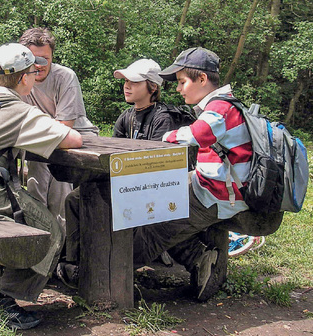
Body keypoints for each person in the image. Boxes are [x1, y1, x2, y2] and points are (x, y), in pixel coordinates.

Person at [0, 43, 82, 329]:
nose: (35, 75)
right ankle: (2, 298)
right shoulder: (18, 110)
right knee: (51, 231)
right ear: (24, 78)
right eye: (32, 71)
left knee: (34, 211)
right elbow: (73, 139)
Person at [59, 59, 194, 288]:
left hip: (157, 189)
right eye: (125, 81)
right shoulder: (127, 115)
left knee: (94, 199)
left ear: (152, 86)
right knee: (76, 198)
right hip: (130, 182)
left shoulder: (163, 118)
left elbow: (158, 166)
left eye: (134, 81)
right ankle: (76, 261)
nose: (126, 86)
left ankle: (103, 266)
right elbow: (115, 154)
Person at [134, 47, 253, 301]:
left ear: (202, 79)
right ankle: (199, 257)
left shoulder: (220, 108)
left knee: (153, 221)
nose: (178, 89)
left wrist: (165, 137)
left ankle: (121, 267)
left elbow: (196, 135)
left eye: (182, 82)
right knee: (151, 201)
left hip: (219, 194)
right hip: (212, 185)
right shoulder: (223, 105)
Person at [18, 27, 98, 237]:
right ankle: (37, 239)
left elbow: (64, 127)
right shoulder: (20, 78)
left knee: (59, 188)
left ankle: (59, 247)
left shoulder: (65, 77)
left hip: (75, 139)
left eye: (44, 59)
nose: (39, 65)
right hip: (42, 141)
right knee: (35, 186)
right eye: (33, 59)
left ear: (52, 56)